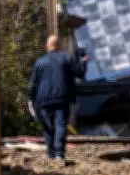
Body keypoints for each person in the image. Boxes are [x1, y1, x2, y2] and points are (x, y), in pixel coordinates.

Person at [28, 35, 88, 165]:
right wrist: (84, 61)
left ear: (47, 46)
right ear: (60, 46)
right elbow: (80, 73)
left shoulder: (39, 62)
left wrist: (30, 98)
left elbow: (33, 83)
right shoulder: (67, 58)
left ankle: (51, 154)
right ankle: (59, 154)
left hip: (43, 99)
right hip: (62, 98)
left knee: (48, 127)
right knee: (60, 124)